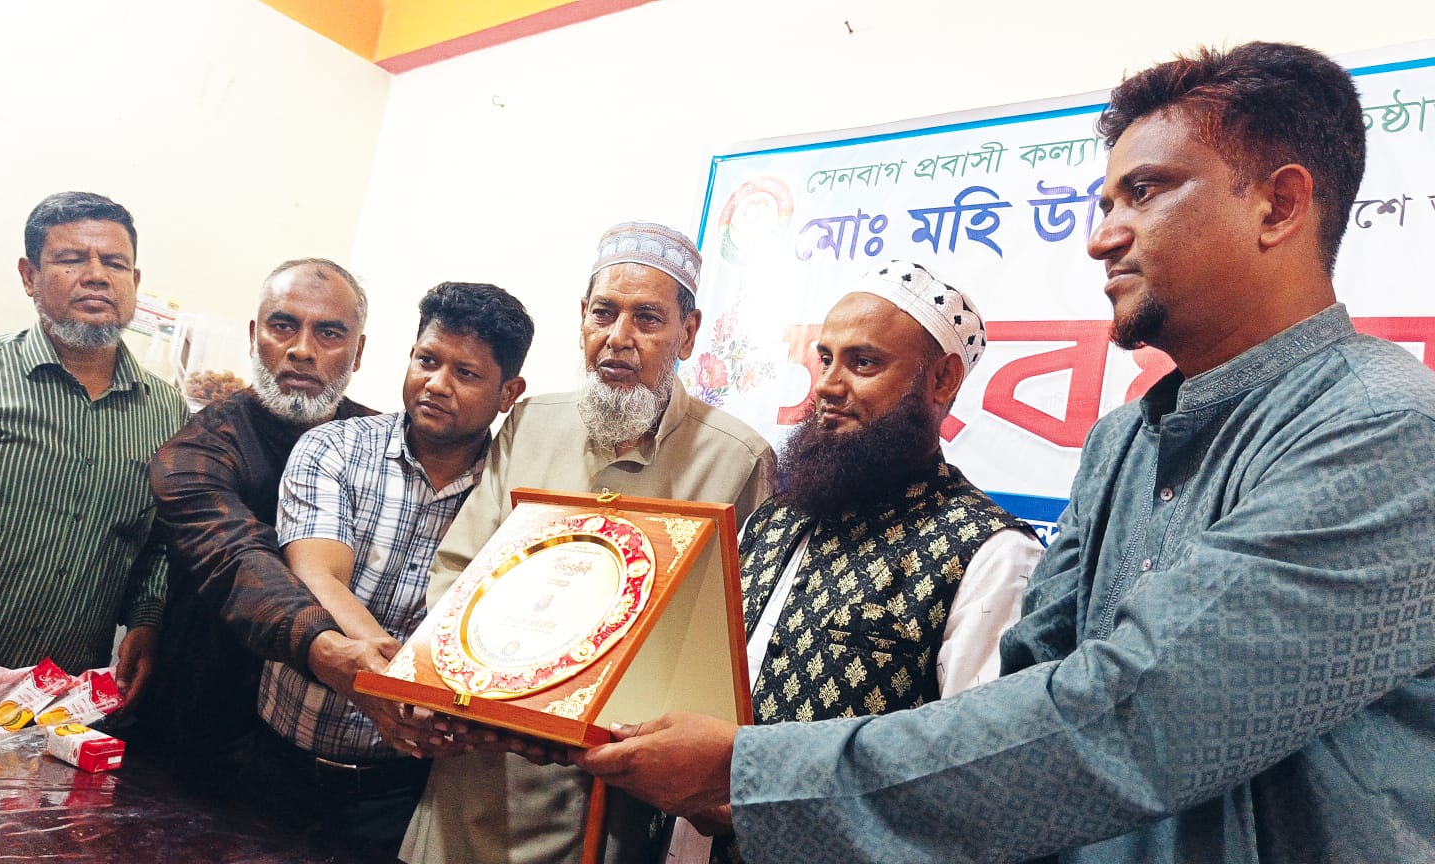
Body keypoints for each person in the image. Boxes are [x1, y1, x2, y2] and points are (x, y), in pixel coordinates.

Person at [575, 42, 1435, 863]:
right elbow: (1024, 687)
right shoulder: (1123, 441)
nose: (1102, 237)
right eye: (1106, 204)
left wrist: (748, 774)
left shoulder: (1385, 430)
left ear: (1278, 206)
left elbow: (1137, 721)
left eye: (1144, 193)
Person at [400, 222, 776, 864]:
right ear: (582, 319)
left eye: (647, 319)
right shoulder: (531, 422)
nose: (618, 338)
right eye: (604, 313)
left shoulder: (736, 459)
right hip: (480, 765)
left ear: (687, 333)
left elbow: (731, 642)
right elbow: (460, 571)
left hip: (611, 794)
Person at [667, 261, 1042, 863]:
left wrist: (764, 802)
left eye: (863, 363)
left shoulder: (990, 554)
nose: (826, 386)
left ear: (942, 379)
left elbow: (973, 782)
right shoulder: (776, 517)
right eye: (824, 359)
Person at [248, 281, 534, 854]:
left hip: (402, 787)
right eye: (427, 360)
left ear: (509, 393)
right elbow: (317, 576)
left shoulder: (512, 498)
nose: (437, 384)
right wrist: (398, 678)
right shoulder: (334, 448)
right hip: (277, 760)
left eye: (466, 373)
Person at [0, 191, 187, 719]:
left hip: (58, 711)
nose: (96, 276)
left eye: (115, 263)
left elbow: (158, 544)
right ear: (29, 276)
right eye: (72, 259)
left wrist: (146, 617)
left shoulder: (168, 412)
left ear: (135, 281)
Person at [136, 258, 379, 785]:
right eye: (283, 325)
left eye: (329, 333)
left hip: (329, 742)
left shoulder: (380, 445)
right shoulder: (196, 449)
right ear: (254, 336)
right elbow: (238, 560)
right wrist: (327, 649)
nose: (302, 349)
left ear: (358, 352)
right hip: (199, 727)